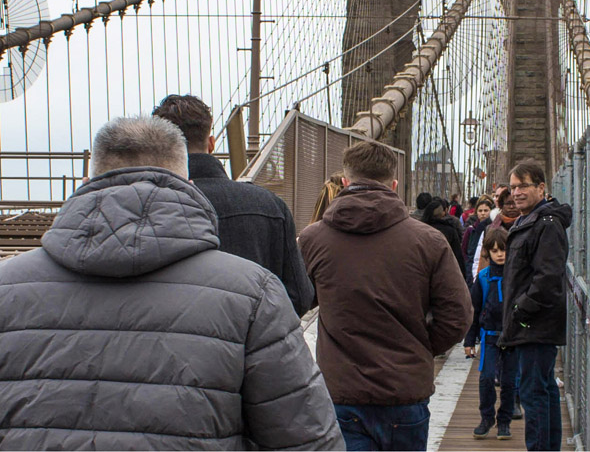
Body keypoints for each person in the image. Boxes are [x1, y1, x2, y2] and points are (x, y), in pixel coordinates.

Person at [0, 116, 342, 449]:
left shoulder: (6, 286)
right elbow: (307, 439)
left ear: (90, 180)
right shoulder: (254, 293)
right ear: (189, 185)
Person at [299, 140, 472, 451]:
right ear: (394, 185)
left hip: (341, 392)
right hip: (404, 391)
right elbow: (458, 316)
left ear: (344, 182)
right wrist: (420, 347)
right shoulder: (428, 241)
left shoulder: (313, 240)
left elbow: (295, 303)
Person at [153, 93, 314, 316]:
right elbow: (300, 297)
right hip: (250, 346)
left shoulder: (145, 207)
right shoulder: (270, 207)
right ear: (211, 143)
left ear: (158, 148)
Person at [498, 159, 572, 452]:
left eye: (523, 186)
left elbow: (548, 278)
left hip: (535, 324)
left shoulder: (546, 224)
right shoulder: (531, 220)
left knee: (533, 393)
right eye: (513, 187)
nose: (516, 192)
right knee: (543, 389)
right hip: (533, 323)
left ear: (541, 187)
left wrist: (520, 311)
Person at [464, 227, 517, 441]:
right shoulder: (484, 277)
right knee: (486, 378)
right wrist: (470, 339)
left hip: (512, 336)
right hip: (490, 336)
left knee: (510, 381)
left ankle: (504, 421)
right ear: (488, 252)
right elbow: (474, 310)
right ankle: (487, 418)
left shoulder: (516, 275)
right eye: (494, 251)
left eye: (503, 250)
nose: (499, 254)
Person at [424, 196, 468, 281]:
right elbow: (457, 255)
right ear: (444, 212)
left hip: (424, 272)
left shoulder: (421, 228)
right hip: (445, 273)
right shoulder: (450, 229)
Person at [462, 197, 494, 280]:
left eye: (486, 210)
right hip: (472, 268)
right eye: (480, 211)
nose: (483, 213)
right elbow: (464, 250)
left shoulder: (494, 228)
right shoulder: (470, 230)